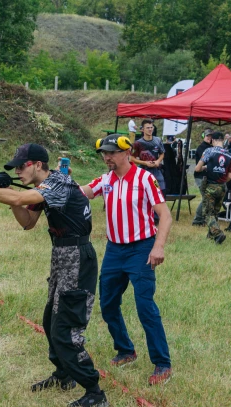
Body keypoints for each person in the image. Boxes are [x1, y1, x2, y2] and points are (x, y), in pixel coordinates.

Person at [0, 144, 107, 407]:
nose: (18, 171)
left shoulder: (58, 183)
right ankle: (64, 374)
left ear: (38, 165)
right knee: (50, 321)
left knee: (65, 328)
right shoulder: (46, 188)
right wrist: (8, 194)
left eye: (22, 166)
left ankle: (94, 391)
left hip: (77, 258)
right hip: (62, 256)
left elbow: (21, 200)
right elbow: (27, 221)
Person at [81, 134, 174, 386]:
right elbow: (83, 193)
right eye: (104, 153)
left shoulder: (145, 179)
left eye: (111, 152)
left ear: (126, 153)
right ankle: (125, 350)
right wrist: (57, 183)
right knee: (108, 304)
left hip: (141, 250)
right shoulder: (106, 180)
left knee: (145, 307)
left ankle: (162, 364)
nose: (107, 157)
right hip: (114, 250)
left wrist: (158, 247)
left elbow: (164, 216)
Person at [194, 131, 231, 244]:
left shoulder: (209, 151)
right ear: (222, 140)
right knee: (215, 213)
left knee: (208, 213)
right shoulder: (229, 154)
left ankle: (218, 233)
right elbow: (230, 176)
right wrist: (221, 181)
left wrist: (204, 168)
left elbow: (197, 168)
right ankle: (211, 236)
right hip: (222, 187)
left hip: (210, 185)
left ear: (213, 140)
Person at [131, 119, 166, 194]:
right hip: (144, 171)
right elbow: (132, 158)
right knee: (145, 193)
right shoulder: (138, 143)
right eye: (148, 128)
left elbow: (162, 153)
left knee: (161, 191)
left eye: (151, 127)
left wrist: (158, 161)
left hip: (157, 171)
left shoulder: (158, 140)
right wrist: (144, 162)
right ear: (142, 129)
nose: (150, 129)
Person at [191, 128, 213, 226]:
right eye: (207, 136)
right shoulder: (202, 148)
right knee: (205, 197)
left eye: (211, 136)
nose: (209, 138)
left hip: (207, 176)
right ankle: (197, 220)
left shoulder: (210, 147)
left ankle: (203, 219)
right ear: (204, 136)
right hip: (200, 176)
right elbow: (203, 163)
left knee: (208, 197)